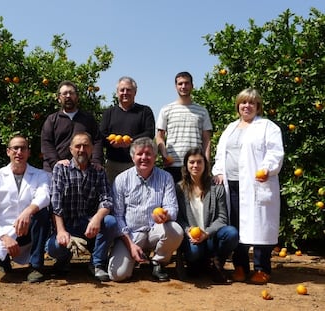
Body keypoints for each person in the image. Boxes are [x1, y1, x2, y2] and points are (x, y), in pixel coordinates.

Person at [212, 88, 284, 285]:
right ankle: (241, 267)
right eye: (244, 102)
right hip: (232, 185)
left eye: (252, 103)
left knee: (261, 225)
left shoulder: (268, 127)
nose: (247, 106)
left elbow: (275, 152)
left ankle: (262, 269)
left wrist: (267, 169)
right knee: (237, 227)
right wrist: (218, 171)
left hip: (256, 184)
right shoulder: (231, 128)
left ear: (258, 106)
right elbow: (221, 153)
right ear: (238, 105)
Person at [108, 137, 184, 282]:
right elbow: (118, 216)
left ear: (155, 157)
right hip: (132, 234)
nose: (144, 158)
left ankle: (158, 262)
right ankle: (135, 256)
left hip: (156, 230)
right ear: (132, 157)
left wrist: (165, 216)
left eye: (148, 154)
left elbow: (172, 207)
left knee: (176, 230)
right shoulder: (121, 179)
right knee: (118, 275)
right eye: (140, 154)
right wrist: (130, 245)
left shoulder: (165, 177)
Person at [45, 132, 118, 282]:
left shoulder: (99, 171)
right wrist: (61, 231)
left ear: (92, 149)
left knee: (110, 222)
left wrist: (97, 218)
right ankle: (64, 259)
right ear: (71, 149)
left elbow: (107, 199)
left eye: (86, 146)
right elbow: (55, 203)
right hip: (67, 225)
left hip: (89, 225)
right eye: (78, 146)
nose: (81, 149)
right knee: (55, 247)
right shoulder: (60, 169)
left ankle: (97, 263)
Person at [0, 135, 51, 283]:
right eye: (15, 148)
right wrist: (4, 237)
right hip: (3, 231)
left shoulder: (41, 175)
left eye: (23, 148)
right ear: (8, 152)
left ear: (28, 152)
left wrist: (28, 211)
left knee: (42, 213)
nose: (19, 152)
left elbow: (44, 196)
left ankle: (36, 265)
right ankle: (3, 261)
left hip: (28, 230)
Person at [175, 148, 238, 283]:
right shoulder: (179, 189)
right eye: (192, 162)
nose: (195, 166)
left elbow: (222, 218)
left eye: (199, 162)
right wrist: (188, 231)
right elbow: (178, 218)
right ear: (186, 165)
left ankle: (216, 262)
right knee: (194, 253)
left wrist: (207, 233)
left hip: (210, 237)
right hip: (192, 237)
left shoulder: (216, 187)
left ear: (205, 164)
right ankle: (200, 264)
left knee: (231, 233)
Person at [156, 71, 213, 183]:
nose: (183, 86)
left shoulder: (202, 111)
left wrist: (206, 163)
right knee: (174, 199)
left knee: (196, 199)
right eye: (180, 83)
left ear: (192, 86)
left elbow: (206, 139)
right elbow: (159, 137)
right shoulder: (166, 109)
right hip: (173, 164)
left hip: (195, 164)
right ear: (176, 86)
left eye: (186, 83)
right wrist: (164, 155)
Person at [100, 76, 155, 184]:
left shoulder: (145, 111)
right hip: (113, 164)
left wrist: (131, 141)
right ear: (117, 93)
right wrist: (111, 143)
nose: (125, 93)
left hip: (136, 164)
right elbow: (101, 134)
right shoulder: (109, 113)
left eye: (128, 90)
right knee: (113, 195)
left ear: (135, 92)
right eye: (122, 90)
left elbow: (149, 133)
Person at [40, 80, 103, 173]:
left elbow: (97, 141)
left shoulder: (88, 119)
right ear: (59, 98)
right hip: (54, 170)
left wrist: (96, 161)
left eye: (71, 93)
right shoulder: (51, 120)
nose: (68, 96)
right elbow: (46, 144)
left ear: (77, 97)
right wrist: (56, 163)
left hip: (83, 170)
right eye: (65, 93)